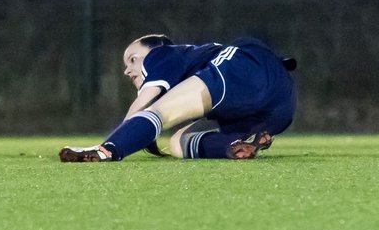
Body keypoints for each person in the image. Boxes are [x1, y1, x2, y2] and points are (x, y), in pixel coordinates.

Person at [59, 35, 297, 162]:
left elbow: (144, 106)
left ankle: (108, 152)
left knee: (159, 113)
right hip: (280, 106)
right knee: (179, 143)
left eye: (133, 59)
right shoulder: (193, 66)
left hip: (247, 65)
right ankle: (234, 145)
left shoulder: (161, 55)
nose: (127, 70)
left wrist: (113, 142)